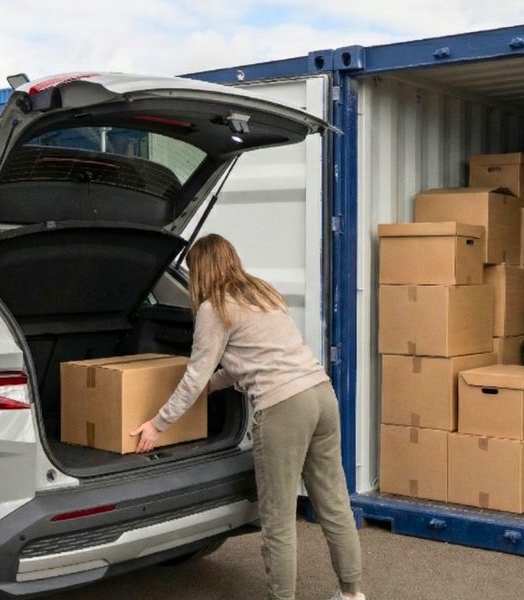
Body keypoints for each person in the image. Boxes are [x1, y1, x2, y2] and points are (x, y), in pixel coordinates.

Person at [131, 234, 364, 600]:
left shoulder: (214, 308)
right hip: (320, 394)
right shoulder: (263, 294)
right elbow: (251, 363)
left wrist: (157, 423)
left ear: (200, 271)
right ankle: (351, 593)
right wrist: (212, 387)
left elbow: (195, 375)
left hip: (284, 408)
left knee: (278, 518)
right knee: (334, 502)